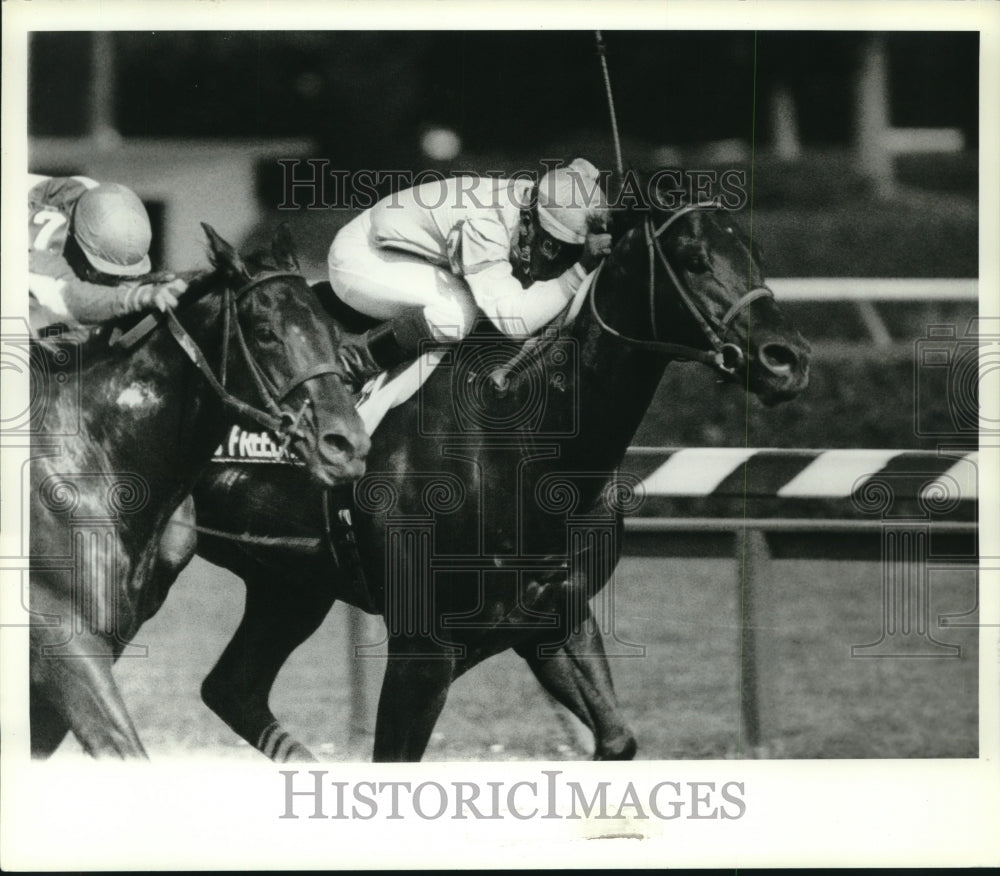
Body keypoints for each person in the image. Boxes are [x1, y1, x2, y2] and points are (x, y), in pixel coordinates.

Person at [327, 157, 613, 390]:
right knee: (459, 313)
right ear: (527, 221)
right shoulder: (485, 226)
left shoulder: (539, 202)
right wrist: (579, 269)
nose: (555, 261)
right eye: (552, 248)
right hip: (362, 256)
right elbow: (516, 321)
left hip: (407, 246)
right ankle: (355, 361)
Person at [28, 173, 187, 333]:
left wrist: (141, 283)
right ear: (72, 237)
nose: (113, 283)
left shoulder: (94, 198)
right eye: (103, 273)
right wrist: (139, 296)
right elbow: (72, 300)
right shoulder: (28, 243)